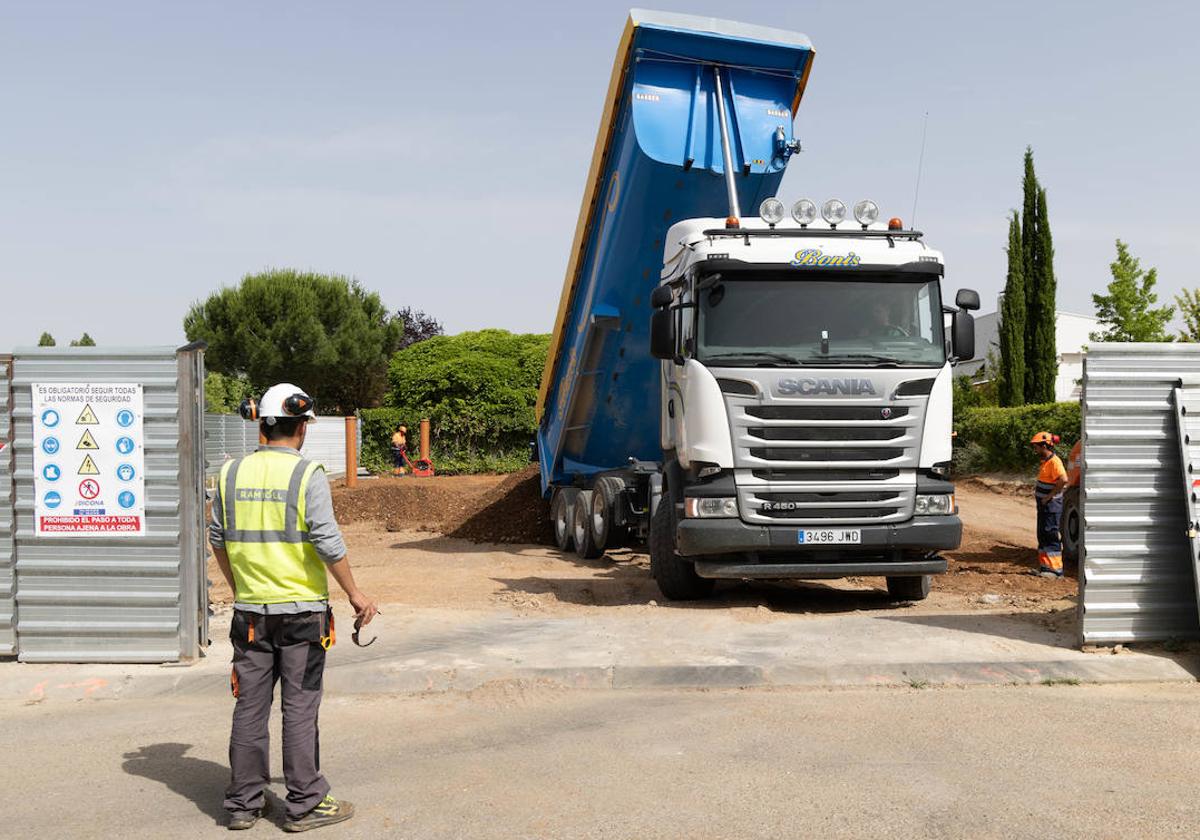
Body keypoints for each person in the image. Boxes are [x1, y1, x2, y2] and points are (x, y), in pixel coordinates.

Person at [210, 383, 378, 832]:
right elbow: (327, 541)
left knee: (249, 707)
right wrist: (355, 594)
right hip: (302, 615)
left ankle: (244, 803)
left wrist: (241, 586)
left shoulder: (228, 475)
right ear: (301, 427)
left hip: (250, 615)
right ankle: (305, 802)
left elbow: (218, 540)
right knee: (300, 707)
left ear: (261, 425)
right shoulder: (307, 475)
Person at [1031, 431, 1068, 578]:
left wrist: (1049, 497)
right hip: (1044, 505)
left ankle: (1055, 570)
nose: (1035, 450)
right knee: (1043, 534)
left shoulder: (1054, 462)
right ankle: (1045, 568)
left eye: (1037, 447)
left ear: (1045, 445)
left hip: (1051, 505)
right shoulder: (1046, 461)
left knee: (1050, 534)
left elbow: (1064, 479)